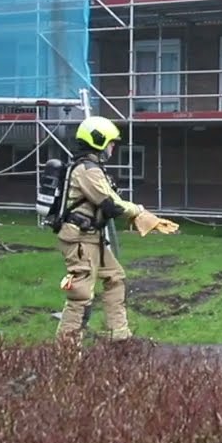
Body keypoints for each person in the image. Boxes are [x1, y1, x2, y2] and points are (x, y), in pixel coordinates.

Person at [55, 115, 175, 345]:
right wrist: (141, 213)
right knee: (81, 295)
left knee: (115, 277)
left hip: (91, 237)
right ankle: (66, 351)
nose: (112, 147)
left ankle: (118, 337)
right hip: (80, 239)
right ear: (98, 141)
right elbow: (110, 203)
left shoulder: (92, 168)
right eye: (111, 142)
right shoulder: (86, 171)